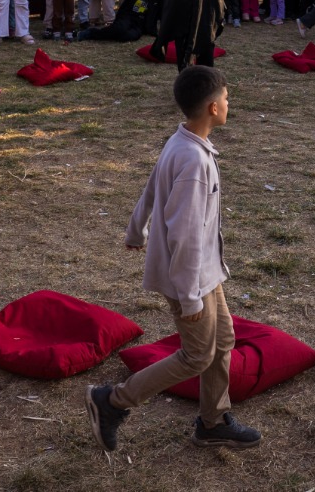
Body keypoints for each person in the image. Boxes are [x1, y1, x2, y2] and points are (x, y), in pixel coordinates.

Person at [86, 65, 260, 452]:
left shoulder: (182, 141)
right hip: (190, 278)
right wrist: (190, 297)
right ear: (213, 108)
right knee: (197, 355)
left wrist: (136, 229)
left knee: (223, 340)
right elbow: (185, 235)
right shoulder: (194, 162)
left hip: (204, 272)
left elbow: (152, 185)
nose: (229, 103)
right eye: (227, 98)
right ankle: (113, 401)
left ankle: (213, 421)